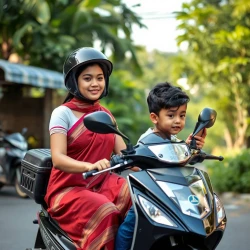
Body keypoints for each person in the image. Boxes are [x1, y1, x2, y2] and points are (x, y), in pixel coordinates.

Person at [44, 47, 132, 250]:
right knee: (106, 212)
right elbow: (58, 158)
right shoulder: (62, 113)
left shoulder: (106, 115)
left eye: (100, 78)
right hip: (68, 188)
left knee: (139, 198)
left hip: (102, 182)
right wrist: (89, 165)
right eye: (88, 78)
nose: (95, 84)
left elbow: (125, 154)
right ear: (75, 81)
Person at [115, 82, 207, 250]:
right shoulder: (147, 140)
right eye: (171, 115)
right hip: (151, 196)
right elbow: (141, 162)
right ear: (154, 117)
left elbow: (176, 162)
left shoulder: (173, 140)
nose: (178, 121)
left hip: (170, 195)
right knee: (130, 226)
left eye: (182, 115)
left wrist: (190, 148)